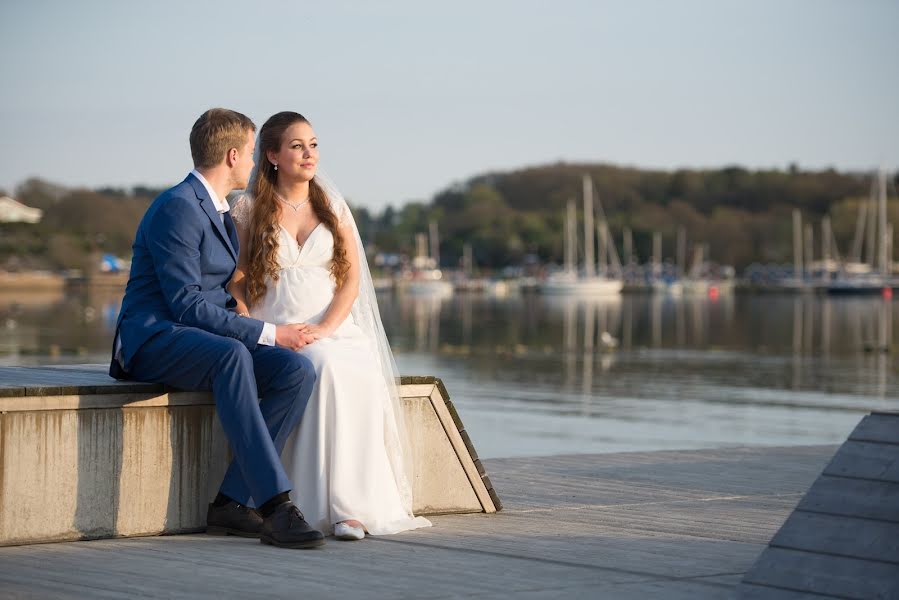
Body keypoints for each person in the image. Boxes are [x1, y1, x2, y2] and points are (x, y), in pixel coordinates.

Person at [109, 108, 325, 549]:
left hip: (199, 338)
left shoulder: (221, 210)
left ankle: (231, 501)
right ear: (231, 155)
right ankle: (276, 506)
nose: (253, 162)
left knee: (294, 371)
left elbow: (217, 293)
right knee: (234, 354)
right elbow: (184, 303)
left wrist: (247, 321)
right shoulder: (178, 207)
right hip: (154, 338)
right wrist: (269, 332)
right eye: (249, 152)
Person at [229, 111, 431, 540]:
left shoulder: (331, 204)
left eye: (314, 144)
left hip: (330, 327)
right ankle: (308, 502)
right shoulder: (248, 208)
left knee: (350, 365)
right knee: (321, 368)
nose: (309, 154)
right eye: (297, 146)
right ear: (272, 155)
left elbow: (351, 279)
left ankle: (350, 507)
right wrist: (249, 325)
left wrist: (326, 327)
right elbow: (239, 277)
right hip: (276, 327)